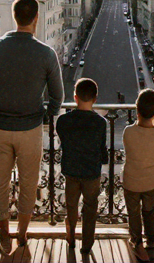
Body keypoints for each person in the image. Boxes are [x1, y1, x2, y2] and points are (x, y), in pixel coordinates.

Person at [0, 0, 64, 255]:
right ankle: (22, 233)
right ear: (35, 18)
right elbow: (57, 96)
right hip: (30, 129)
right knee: (28, 182)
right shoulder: (46, 53)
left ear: (14, 17)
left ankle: (3, 234)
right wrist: (46, 117)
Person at [56, 78, 108, 257]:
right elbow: (102, 148)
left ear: (75, 97)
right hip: (91, 172)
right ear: (95, 99)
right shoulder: (101, 123)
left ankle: (70, 236)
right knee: (90, 206)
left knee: (71, 205)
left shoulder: (63, 120)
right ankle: (87, 243)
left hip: (71, 170)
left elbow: (64, 140)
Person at [123, 89, 154, 262]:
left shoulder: (128, 132)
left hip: (132, 181)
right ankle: (152, 239)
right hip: (151, 182)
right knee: (149, 211)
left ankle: (137, 242)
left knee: (134, 213)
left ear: (137, 110)